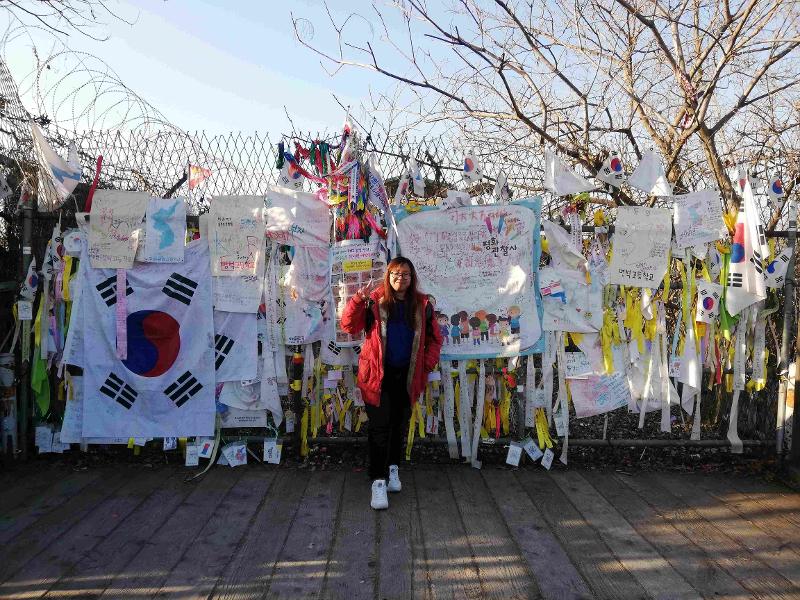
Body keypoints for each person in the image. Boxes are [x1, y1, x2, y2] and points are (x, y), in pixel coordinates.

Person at [340, 257, 443, 510]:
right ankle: (377, 481)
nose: (401, 278)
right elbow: (348, 325)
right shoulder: (374, 301)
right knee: (379, 428)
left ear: (412, 277)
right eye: (396, 274)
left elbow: (435, 340)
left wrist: (426, 365)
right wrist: (356, 301)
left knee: (398, 425)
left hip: (407, 377)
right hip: (377, 377)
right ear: (388, 276)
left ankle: (393, 469)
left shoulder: (422, 304)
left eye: (406, 274)